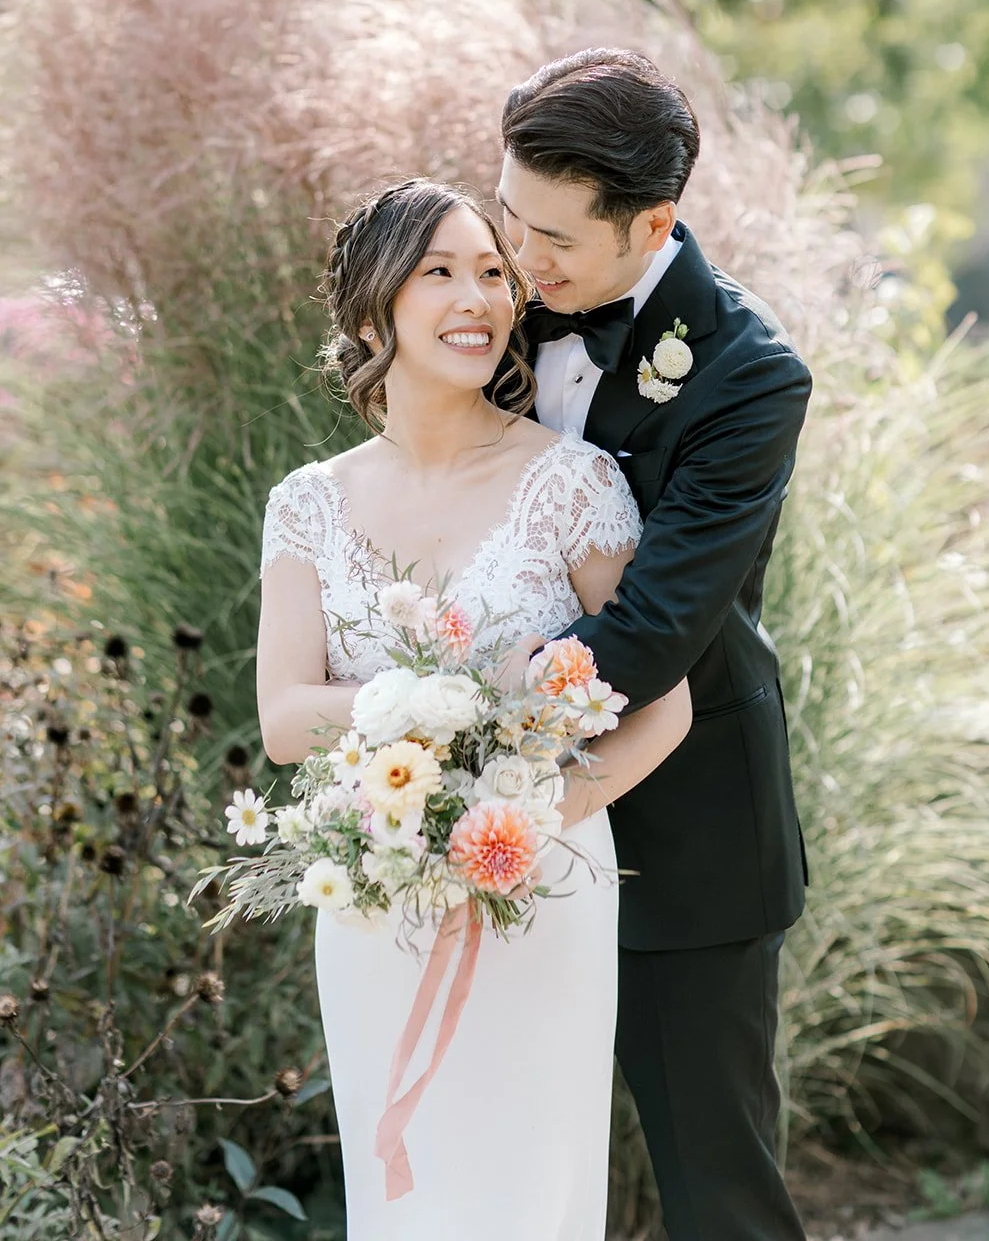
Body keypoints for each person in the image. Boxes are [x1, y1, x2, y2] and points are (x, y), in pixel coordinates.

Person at [255, 177, 692, 1241]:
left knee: (525, 1189)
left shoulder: (574, 483)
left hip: (540, 882)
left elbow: (660, 705)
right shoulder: (307, 503)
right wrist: (442, 708)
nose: (477, 295)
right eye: (439, 270)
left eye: (493, 272)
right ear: (370, 309)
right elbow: (282, 714)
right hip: (377, 890)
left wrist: (529, 816)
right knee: (404, 1196)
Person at [498, 48, 812, 1241]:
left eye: (553, 242)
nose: (521, 264)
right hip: (489, 833)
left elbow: (654, 628)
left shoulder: (747, 375)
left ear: (653, 224)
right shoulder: (498, 306)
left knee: (714, 1190)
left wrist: (463, 717)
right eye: (510, 223)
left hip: (690, 833)